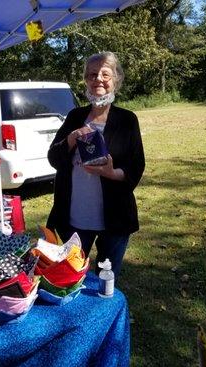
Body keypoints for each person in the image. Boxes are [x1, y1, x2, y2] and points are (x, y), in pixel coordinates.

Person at [47, 51, 145, 276]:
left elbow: (136, 166)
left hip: (115, 217)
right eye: (92, 75)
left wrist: (111, 173)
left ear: (116, 80)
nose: (98, 79)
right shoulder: (74, 116)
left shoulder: (127, 120)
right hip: (74, 218)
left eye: (105, 74)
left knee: (105, 281)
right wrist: (71, 139)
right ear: (86, 81)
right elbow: (54, 158)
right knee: (70, 276)